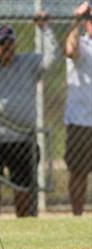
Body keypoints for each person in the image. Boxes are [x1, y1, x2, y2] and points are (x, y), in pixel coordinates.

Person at [0, 10, 59, 218]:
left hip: (21, 136)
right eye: (2, 42)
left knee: (24, 185)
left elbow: (52, 58)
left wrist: (44, 29)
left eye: (10, 42)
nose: (8, 47)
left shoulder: (27, 63)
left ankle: (23, 224)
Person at [64, 1, 92, 216]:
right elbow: (70, 50)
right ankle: (77, 215)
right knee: (78, 172)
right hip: (80, 122)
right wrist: (76, 20)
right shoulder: (81, 43)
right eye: (89, 20)